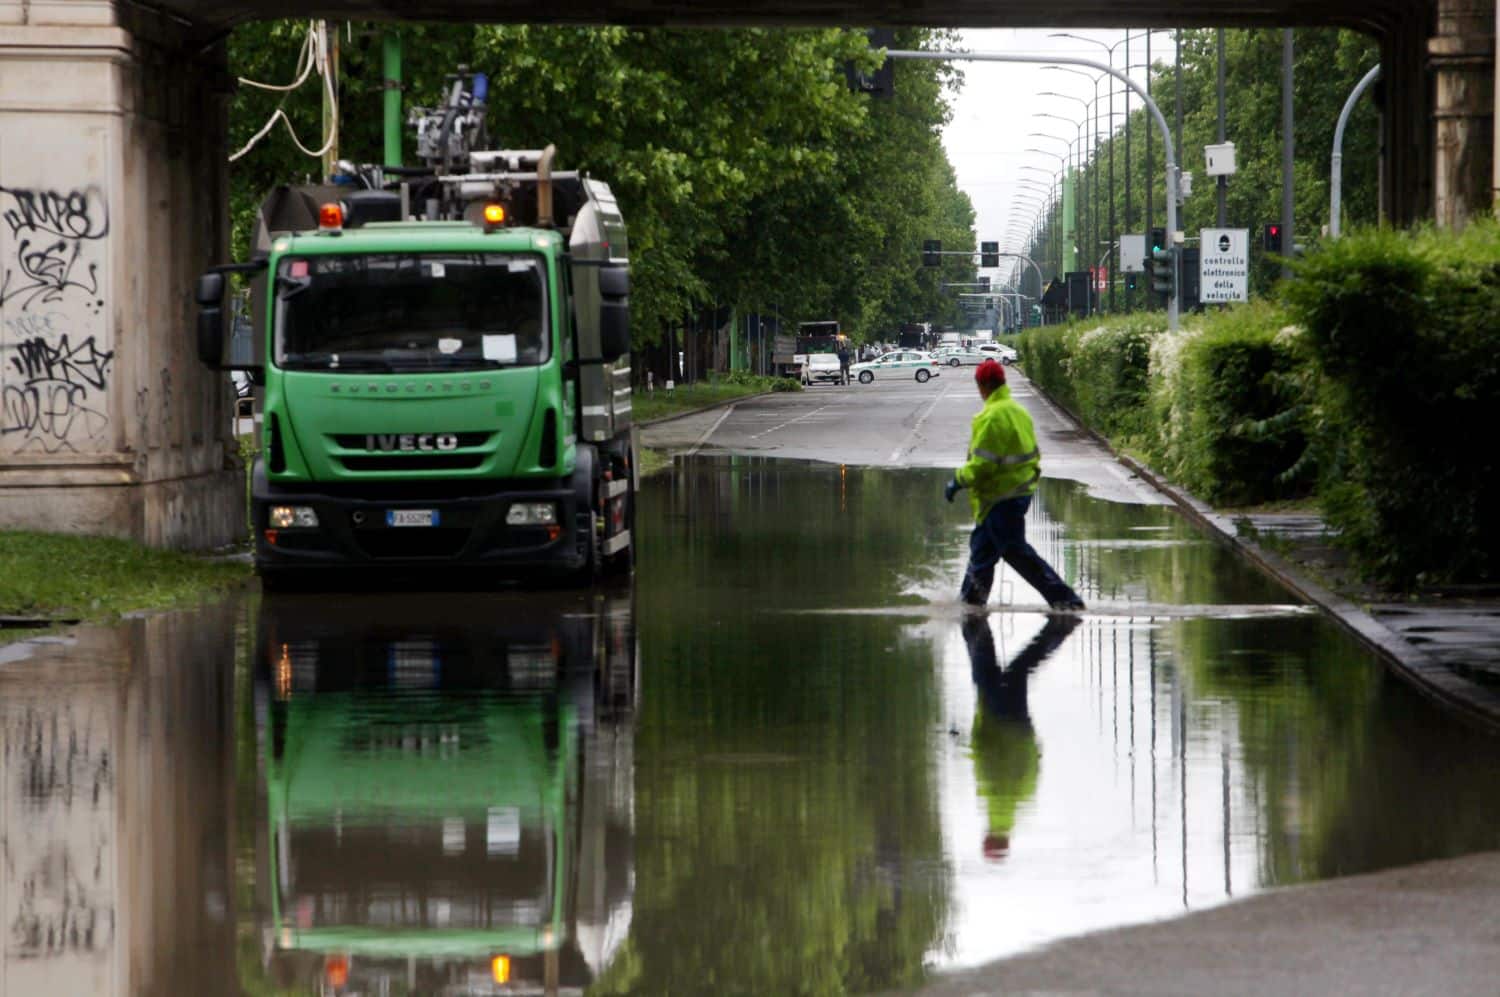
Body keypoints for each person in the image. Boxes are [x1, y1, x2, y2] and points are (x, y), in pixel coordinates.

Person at [944, 359, 1086, 611]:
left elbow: (982, 465)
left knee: (1015, 552)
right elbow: (1032, 455)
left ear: (983, 385)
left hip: (999, 497)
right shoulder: (1018, 411)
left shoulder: (991, 417)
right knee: (982, 553)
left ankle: (1065, 599)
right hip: (1017, 493)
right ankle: (970, 605)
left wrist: (958, 480)